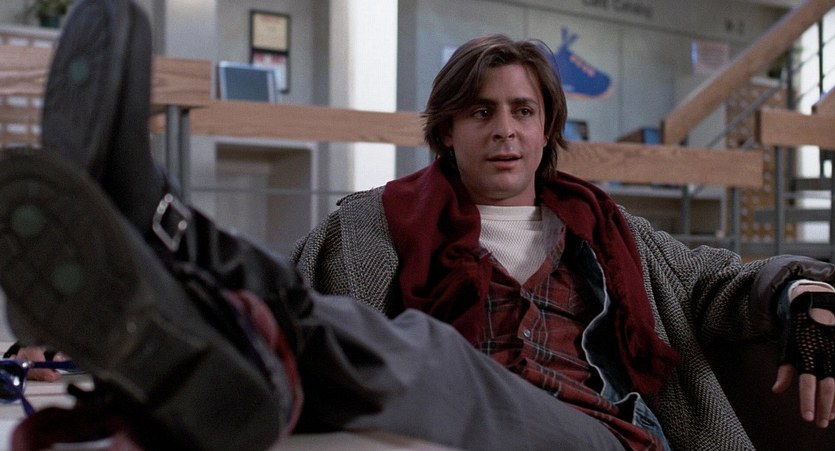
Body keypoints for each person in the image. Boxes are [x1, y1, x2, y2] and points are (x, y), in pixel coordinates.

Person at [1, 1, 835, 451]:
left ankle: (167, 224)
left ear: (546, 129)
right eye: (480, 112)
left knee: (434, 352)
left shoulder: (614, 231)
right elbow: (297, 298)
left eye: (521, 111)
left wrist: (799, 291)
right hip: (443, 414)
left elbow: (725, 282)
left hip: (599, 433)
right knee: (347, 341)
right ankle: (155, 247)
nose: (503, 130)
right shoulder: (371, 226)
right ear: (446, 130)